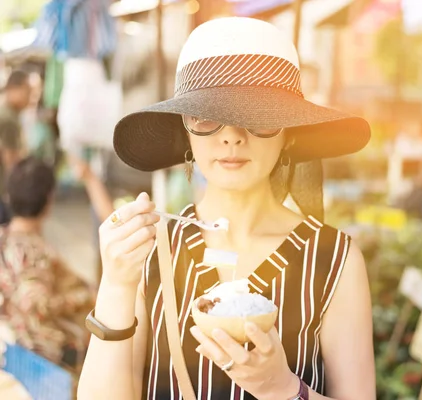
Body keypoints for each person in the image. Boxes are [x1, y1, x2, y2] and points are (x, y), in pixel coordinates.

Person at [78, 17, 375, 400]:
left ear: (289, 135)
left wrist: (282, 388)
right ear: (184, 129)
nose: (232, 136)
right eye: (207, 115)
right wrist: (116, 286)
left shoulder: (334, 259)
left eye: (260, 117)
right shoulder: (149, 249)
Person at [0, 157, 94, 366]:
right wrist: (84, 296)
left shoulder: (4, 239)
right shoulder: (33, 252)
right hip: (56, 359)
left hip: (20, 352)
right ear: (48, 199)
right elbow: (34, 304)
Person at [0, 70, 31, 223]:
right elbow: (10, 162)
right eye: (27, 91)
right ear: (13, 89)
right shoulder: (8, 118)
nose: (30, 97)